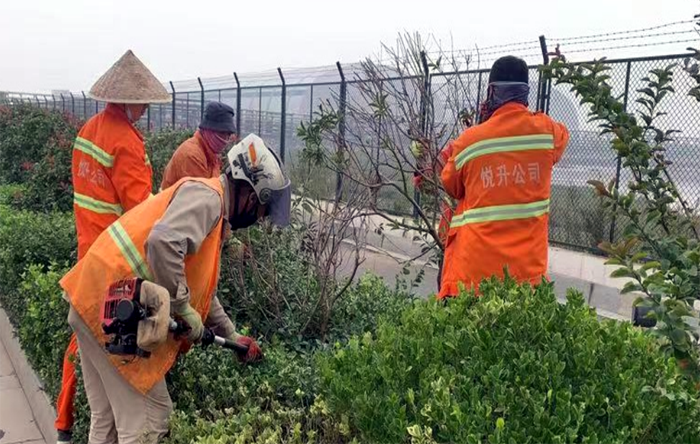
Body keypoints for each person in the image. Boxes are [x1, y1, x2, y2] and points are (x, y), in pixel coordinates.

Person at [59, 134, 291, 444]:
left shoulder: (212, 207)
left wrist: (230, 332)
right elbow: (163, 242)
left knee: (108, 422)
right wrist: (181, 307)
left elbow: (199, 287)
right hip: (116, 311)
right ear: (251, 196)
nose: (260, 219)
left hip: (95, 299)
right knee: (150, 421)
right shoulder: (210, 200)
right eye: (263, 209)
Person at [56, 50, 171, 444]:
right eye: (142, 103)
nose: (145, 110)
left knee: (99, 406)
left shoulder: (87, 131)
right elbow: (141, 212)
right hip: (115, 268)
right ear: (127, 100)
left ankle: (63, 423)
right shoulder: (126, 141)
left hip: (87, 257)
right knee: (134, 413)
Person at [439, 56, 569, 299]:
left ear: (491, 92)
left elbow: (450, 184)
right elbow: (563, 135)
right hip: (526, 277)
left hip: (472, 277)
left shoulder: (469, 142)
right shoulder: (547, 133)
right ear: (525, 93)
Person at [160, 102, 237, 191]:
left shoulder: (212, 155)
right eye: (222, 133)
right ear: (208, 129)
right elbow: (201, 194)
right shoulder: (192, 155)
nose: (225, 140)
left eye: (228, 135)